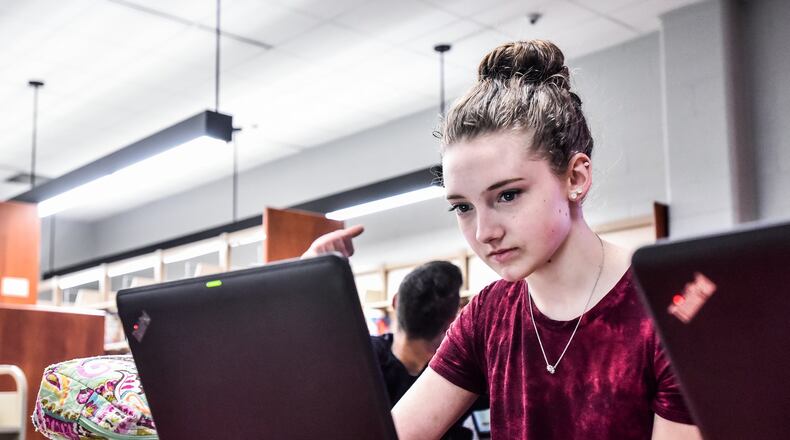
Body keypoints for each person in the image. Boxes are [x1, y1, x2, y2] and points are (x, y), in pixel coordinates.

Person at [304, 40, 701, 439]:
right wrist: (308, 306)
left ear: (576, 178)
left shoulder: (666, 309)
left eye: (507, 195)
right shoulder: (488, 315)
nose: (484, 232)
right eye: (462, 207)